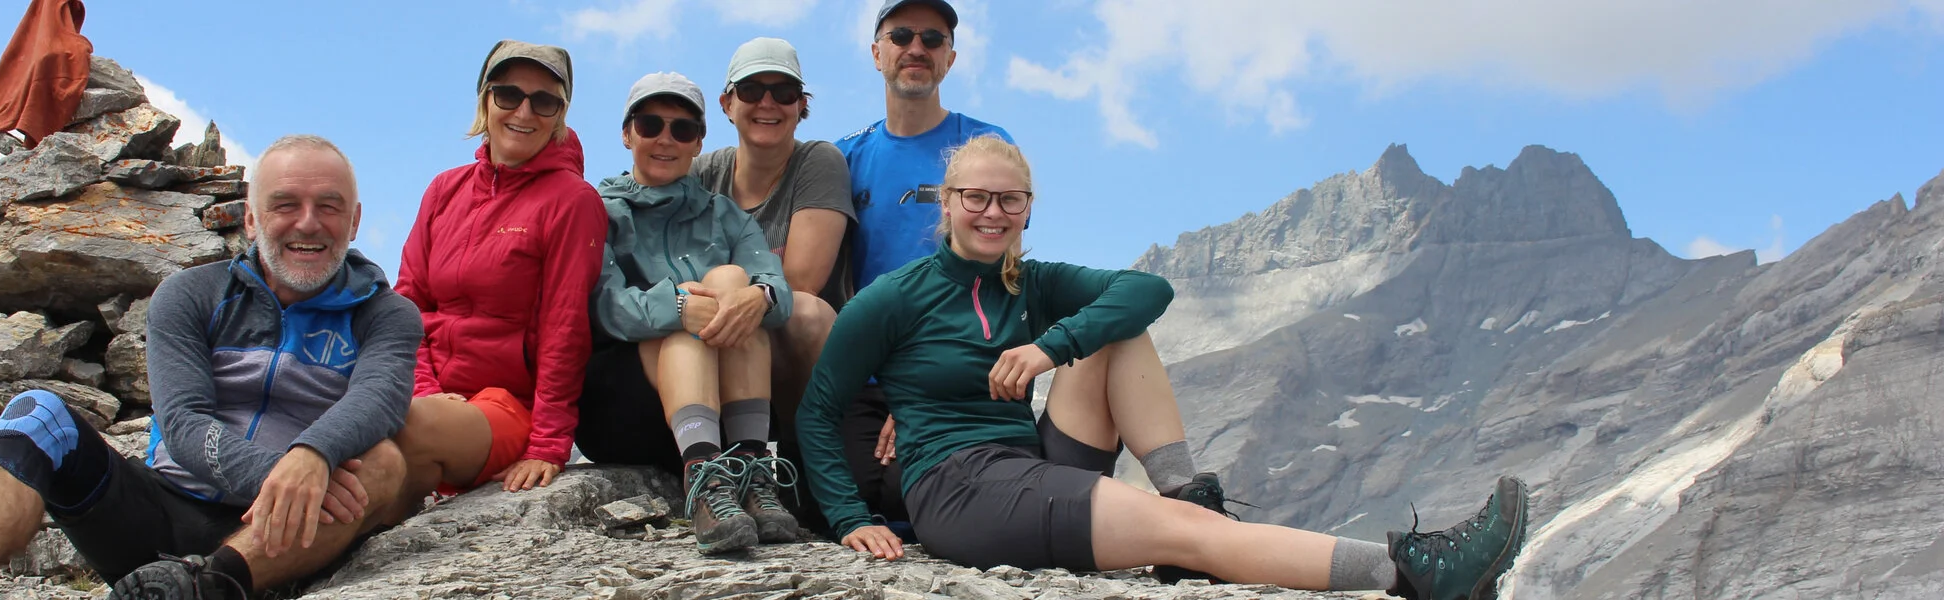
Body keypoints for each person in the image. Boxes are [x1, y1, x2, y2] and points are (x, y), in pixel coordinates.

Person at [798, 136, 1530, 600]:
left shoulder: (1033, 282)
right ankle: (1413, 573)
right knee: (1179, 534)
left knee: (1121, 331)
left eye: (1009, 199)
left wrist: (1050, 346)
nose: (992, 212)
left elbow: (1149, 291)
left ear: (1028, 208)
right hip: (962, 488)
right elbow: (818, 410)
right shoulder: (893, 299)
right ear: (947, 204)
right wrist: (849, 518)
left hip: (1027, 461)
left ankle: (1187, 492)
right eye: (976, 198)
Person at [0, 135, 423, 600]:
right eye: (285, 205)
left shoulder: (387, 313)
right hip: (168, 509)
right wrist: (286, 476)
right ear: (251, 220)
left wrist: (313, 455)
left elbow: (378, 398)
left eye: (328, 206)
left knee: (385, 462)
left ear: (354, 221)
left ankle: (212, 587)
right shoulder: (191, 293)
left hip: (280, 541)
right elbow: (183, 424)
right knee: (36, 413)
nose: (308, 223)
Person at [578, 72, 795, 555]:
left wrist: (756, 300)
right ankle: (706, 477)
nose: (664, 139)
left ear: (698, 142)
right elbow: (602, 305)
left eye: (682, 129)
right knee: (683, 329)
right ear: (627, 133)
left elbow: (778, 289)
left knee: (736, 288)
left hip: (718, 404)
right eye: (651, 124)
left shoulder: (725, 215)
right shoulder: (597, 210)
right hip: (626, 405)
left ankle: (744, 473)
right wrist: (677, 307)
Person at [389, 40, 606, 510]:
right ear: (485, 101)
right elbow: (405, 307)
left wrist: (549, 443)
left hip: (507, 407)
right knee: (381, 468)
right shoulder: (443, 190)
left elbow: (564, 326)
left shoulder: (573, 200)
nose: (524, 111)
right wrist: (427, 392)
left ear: (560, 115)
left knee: (396, 432)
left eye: (544, 100)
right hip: (429, 400)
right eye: (508, 94)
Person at [688, 36, 852, 533]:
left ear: (802, 106)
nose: (767, 103)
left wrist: (745, 294)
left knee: (805, 310)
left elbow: (801, 281)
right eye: (752, 89)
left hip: (789, 355)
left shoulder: (818, 162)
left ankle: (801, 474)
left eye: (783, 92)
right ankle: (721, 474)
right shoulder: (701, 173)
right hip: (720, 344)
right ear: (727, 103)